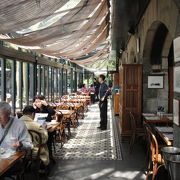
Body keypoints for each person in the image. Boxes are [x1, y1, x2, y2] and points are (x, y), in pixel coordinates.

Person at [33, 95, 56, 160]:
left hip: (48, 129)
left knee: (48, 140)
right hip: (37, 129)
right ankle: (38, 156)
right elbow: (33, 118)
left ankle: (49, 156)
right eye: (36, 102)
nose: (38, 103)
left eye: (39, 101)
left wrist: (47, 105)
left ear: (43, 101)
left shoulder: (46, 108)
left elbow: (53, 113)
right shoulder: (35, 109)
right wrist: (34, 109)